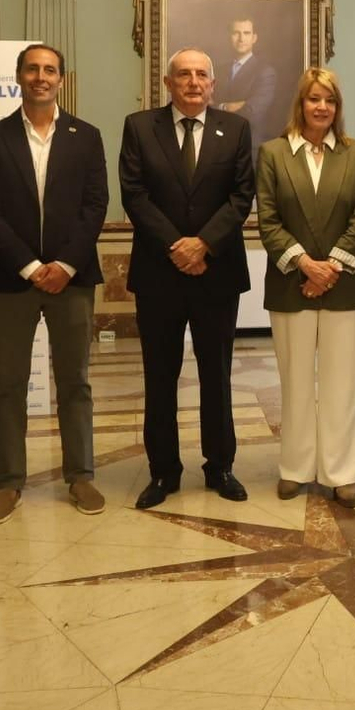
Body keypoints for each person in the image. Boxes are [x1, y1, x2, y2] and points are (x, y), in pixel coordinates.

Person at [0, 43, 109, 524]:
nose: (41, 77)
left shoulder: (86, 137)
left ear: (62, 80)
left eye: (50, 70)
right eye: (32, 69)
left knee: (75, 382)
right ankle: (8, 484)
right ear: (18, 76)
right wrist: (31, 267)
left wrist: (64, 265)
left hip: (72, 279)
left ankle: (81, 475)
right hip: (11, 281)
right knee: (8, 384)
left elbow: (96, 206)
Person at [119, 48, 255, 508]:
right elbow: (134, 195)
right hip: (160, 272)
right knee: (160, 376)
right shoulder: (140, 127)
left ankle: (220, 466)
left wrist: (204, 244)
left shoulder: (235, 129)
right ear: (167, 81)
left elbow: (242, 196)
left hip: (217, 272)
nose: (194, 82)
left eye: (202, 74)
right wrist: (177, 245)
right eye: (184, 75)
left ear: (213, 84)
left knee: (216, 375)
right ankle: (163, 472)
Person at [255, 68, 355, 508]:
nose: (321, 107)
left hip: (342, 286)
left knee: (343, 384)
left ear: (338, 108)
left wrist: (329, 270)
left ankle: (342, 473)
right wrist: (305, 265)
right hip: (291, 285)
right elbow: (268, 219)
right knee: (296, 381)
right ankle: (296, 468)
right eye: (314, 99)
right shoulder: (272, 154)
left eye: (330, 100)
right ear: (300, 104)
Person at [214, 18, 278, 158]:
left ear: (254, 38)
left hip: (250, 148)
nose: (241, 38)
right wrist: (227, 106)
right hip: (218, 148)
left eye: (246, 33)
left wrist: (219, 107)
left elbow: (252, 111)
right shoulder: (218, 71)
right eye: (236, 33)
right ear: (229, 37)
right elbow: (206, 107)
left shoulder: (265, 72)